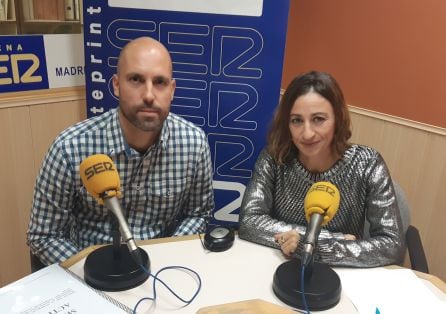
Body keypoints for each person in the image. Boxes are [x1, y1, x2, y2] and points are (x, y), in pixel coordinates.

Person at [27, 37, 214, 265]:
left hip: (160, 272)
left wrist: (166, 260)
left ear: (172, 90)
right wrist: (88, 275)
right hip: (90, 273)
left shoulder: (194, 143)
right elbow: (44, 235)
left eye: (160, 82)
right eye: (136, 79)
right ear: (116, 85)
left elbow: (198, 214)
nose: (148, 94)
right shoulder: (69, 148)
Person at [238, 71, 404, 267]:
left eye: (318, 119)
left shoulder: (367, 163)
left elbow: (392, 245)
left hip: (341, 274)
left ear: (337, 119)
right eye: (297, 120)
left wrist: (316, 249)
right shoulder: (275, 158)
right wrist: (331, 239)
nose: (307, 133)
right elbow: (249, 222)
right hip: (278, 264)